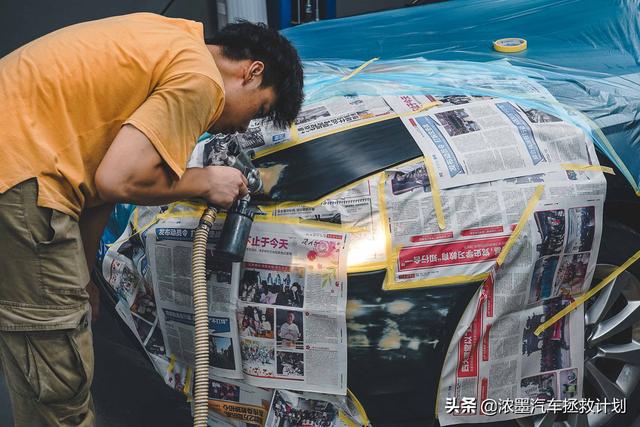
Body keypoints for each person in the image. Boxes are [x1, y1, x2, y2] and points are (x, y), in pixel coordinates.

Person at [0, 13, 303, 427]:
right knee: (59, 375)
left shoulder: (170, 38)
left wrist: (84, 277)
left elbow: (99, 191)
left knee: (33, 353)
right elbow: (119, 177)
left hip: (17, 168)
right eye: (260, 109)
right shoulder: (201, 80)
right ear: (252, 72)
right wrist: (205, 181)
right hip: (20, 181)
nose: (246, 124)